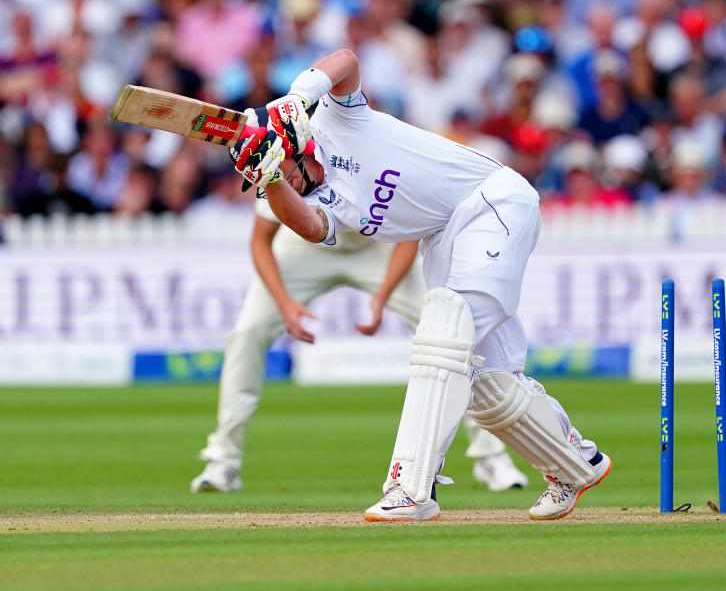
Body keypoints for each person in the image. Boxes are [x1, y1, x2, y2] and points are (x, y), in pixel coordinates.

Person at [232, 49, 611, 521]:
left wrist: (297, 96)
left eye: (286, 171)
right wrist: (268, 179)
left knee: (442, 339)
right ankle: (576, 463)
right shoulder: (320, 196)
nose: (291, 186)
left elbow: (347, 59)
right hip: (444, 237)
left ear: (299, 143)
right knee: (483, 381)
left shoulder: (336, 117)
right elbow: (310, 228)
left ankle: (410, 486)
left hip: (490, 202)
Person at [191, 183, 528, 494]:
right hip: (302, 245)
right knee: (247, 332)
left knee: (453, 332)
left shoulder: (374, 152)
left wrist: (382, 297)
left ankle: (490, 456)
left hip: (377, 246)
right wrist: (285, 304)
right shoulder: (284, 160)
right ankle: (224, 460)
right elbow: (260, 240)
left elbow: (409, 235)